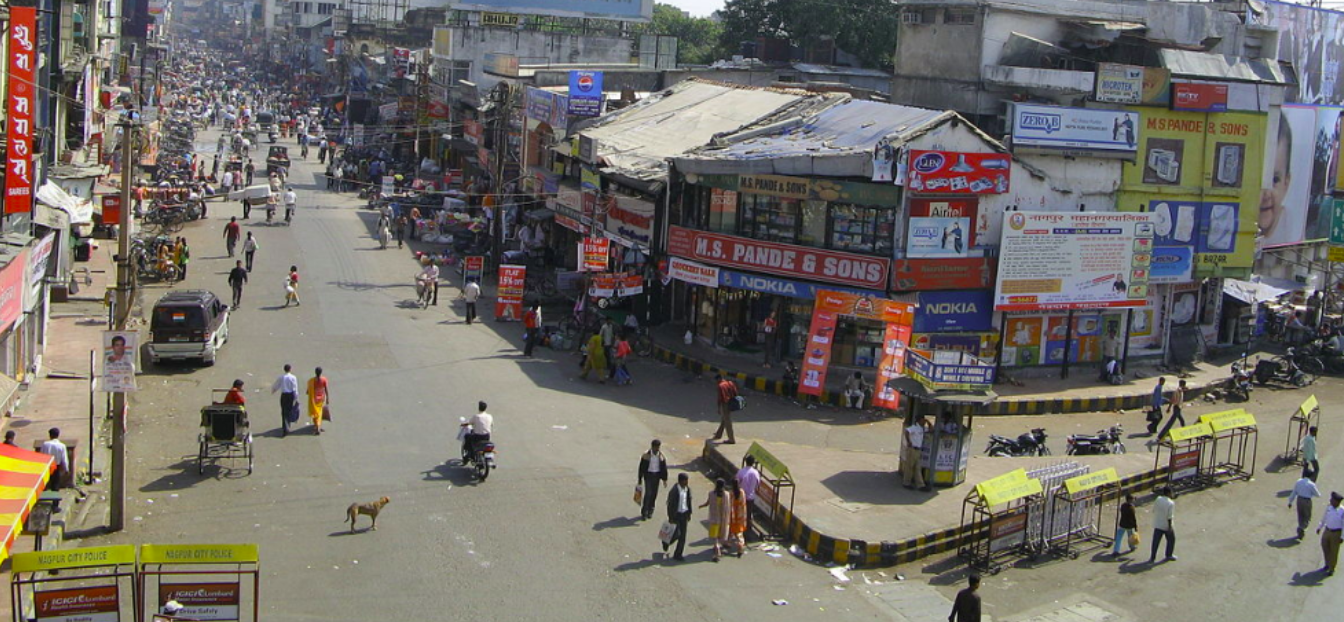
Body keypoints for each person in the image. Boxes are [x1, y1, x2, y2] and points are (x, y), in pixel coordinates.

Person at [699, 478, 732, 562]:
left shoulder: (711, 494)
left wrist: (701, 506)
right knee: (720, 534)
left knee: (715, 537)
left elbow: (707, 503)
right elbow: (729, 507)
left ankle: (717, 550)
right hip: (723, 519)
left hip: (714, 519)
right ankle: (717, 548)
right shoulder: (727, 495)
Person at [637, 440, 668, 521]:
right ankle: (644, 512)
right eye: (655, 447)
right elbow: (641, 468)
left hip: (656, 476)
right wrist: (640, 479)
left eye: (658, 447)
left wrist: (664, 479)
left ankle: (651, 510)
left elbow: (664, 469)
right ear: (652, 446)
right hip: (648, 476)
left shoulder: (661, 457)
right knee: (648, 494)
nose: (657, 449)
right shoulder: (646, 456)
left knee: (654, 494)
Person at [664, 472, 692, 562]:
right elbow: (670, 504)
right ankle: (666, 541)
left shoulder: (687, 489)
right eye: (685, 481)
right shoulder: (674, 491)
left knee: (683, 536)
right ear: (681, 481)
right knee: (677, 534)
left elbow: (689, 502)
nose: (687, 482)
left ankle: (678, 554)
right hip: (676, 515)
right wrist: (670, 517)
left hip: (684, 514)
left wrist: (689, 513)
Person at [1148, 486, 1177, 563]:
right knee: (1171, 540)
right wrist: (1170, 527)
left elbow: (1154, 510)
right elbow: (1169, 517)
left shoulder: (1158, 499)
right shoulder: (1171, 503)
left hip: (1157, 523)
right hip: (1166, 525)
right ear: (1168, 493)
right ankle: (1169, 555)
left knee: (1155, 542)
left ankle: (1152, 557)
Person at [1291, 474, 1323, 540]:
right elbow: (1318, 495)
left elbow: (1294, 492)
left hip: (1299, 500)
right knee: (1307, 516)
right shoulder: (1311, 484)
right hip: (1307, 501)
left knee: (1300, 515)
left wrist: (1290, 501)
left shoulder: (1298, 481)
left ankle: (1300, 526)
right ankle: (1302, 528)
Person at [271, 363, 299, 437]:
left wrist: (273, 390)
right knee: (289, 410)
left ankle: (285, 427)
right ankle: (287, 426)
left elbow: (276, 385)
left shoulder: (281, 377)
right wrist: (296, 397)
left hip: (284, 395)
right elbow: (295, 388)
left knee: (284, 411)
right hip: (290, 395)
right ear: (290, 369)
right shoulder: (293, 377)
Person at [903, 415, 930, 492]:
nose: (924, 422)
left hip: (918, 450)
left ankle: (920, 485)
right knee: (910, 467)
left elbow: (931, 429)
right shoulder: (914, 427)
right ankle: (906, 483)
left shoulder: (922, 428)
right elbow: (907, 431)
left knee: (918, 467)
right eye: (923, 420)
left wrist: (928, 422)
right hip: (913, 449)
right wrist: (909, 441)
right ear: (919, 420)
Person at [1320, 492, 1344, 576]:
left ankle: (1331, 568)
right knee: (1324, 546)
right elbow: (1324, 517)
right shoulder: (1329, 507)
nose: (1330, 500)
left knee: (1334, 551)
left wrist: (1342, 537)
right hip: (1327, 530)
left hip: (1336, 533)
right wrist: (1320, 527)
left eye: (1332, 500)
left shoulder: (1342, 511)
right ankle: (1327, 564)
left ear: (1337, 502)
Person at [712, 374, 739, 444]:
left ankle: (731, 439)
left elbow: (720, 399)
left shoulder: (720, 386)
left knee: (727, 422)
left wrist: (719, 408)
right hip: (731, 402)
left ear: (718, 380)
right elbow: (736, 392)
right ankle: (718, 434)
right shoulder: (730, 383)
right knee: (724, 419)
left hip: (725, 404)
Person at [306, 367, 330, 435]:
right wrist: (328, 398)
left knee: (315, 413)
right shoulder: (324, 380)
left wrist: (308, 392)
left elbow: (308, 391)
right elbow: (326, 389)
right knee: (319, 413)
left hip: (313, 399)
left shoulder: (311, 381)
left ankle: (316, 426)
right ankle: (318, 426)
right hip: (321, 399)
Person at [729, 479, 748, 557]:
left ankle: (729, 542)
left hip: (733, 515)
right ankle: (740, 545)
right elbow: (743, 504)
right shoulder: (742, 492)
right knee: (739, 532)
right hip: (740, 515)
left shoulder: (731, 493)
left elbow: (729, 504)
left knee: (733, 531)